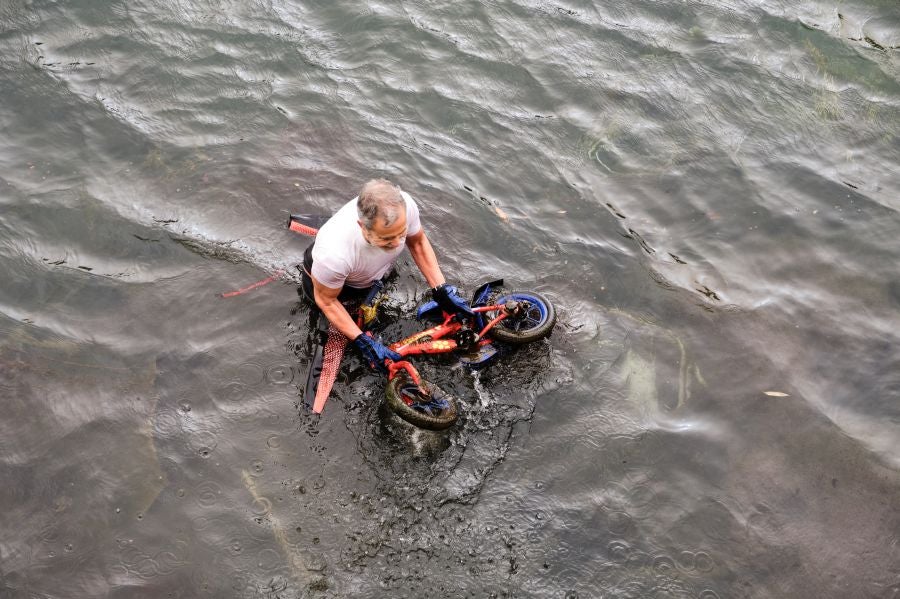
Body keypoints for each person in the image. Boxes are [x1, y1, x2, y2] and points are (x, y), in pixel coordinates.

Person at [299, 178, 473, 373]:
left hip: (371, 273)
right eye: (387, 238)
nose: (398, 243)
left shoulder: (407, 206)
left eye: (402, 233)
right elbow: (327, 301)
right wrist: (362, 341)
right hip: (330, 285)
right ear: (362, 227)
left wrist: (441, 290)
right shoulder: (334, 255)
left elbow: (417, 243)